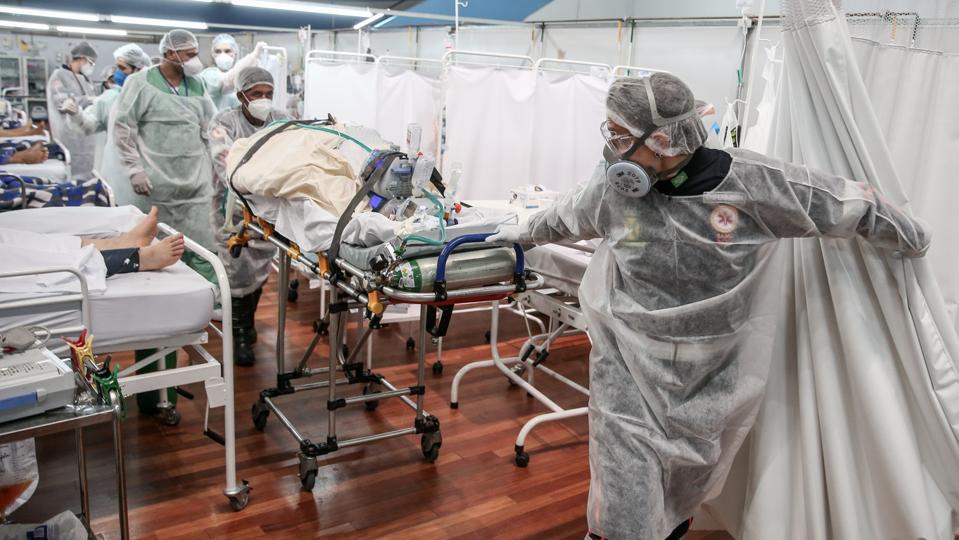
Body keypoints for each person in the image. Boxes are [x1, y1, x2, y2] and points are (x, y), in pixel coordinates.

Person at [487, 72, 931, 539]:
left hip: (713, 375)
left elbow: (842, 202)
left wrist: (912, 236)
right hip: (628, 369)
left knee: (683, 491)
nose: (612, 149)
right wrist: (524, 230)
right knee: (623, 504)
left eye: (620, 136)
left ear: (661, 139)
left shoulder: (756, 184)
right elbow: (567, 216)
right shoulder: (613, 187)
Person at [111, 28, 217, 416]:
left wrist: (218, 168)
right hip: (155, 185)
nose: (194, 57)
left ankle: (199, 317)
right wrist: (134, 170)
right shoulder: (140, 83)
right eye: (188, 52)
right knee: (157, 264)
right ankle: (160, 337)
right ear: (169, 53)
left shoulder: (197, 85)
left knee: (201, 253)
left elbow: (209, 129)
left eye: (195, 52)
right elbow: (123, 128)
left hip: (195, 183)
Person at [208, 66, 288, 366]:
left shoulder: (282, 121)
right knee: (236, 269)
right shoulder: (223, 122)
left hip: (271, 208)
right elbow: (225, 162)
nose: (263, 99)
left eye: (268, 93)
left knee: (260, 267)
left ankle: (247, 323)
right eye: (256, 94)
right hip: (232, 209)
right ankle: (240, 333)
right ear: (241, 95)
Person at [62, 43, 151, 208]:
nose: (116, 73)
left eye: (121, 68)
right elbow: (88, 125)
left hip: (150, 177)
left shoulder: (154, 100)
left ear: (138, 70)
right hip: (117, 174)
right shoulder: (111, 99)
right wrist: (76, 114)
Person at [45, 41, 98, 179]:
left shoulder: (86, 79)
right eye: (90, 62)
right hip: (68, 134)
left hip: (85, 135)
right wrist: (89, 100)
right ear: (81, 59)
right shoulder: (59, 76)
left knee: (87, 172)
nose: (92, 66)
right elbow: (62, 102)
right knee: (72, 173)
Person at [198, 33, 267, 112]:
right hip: (215, 122)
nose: (222, 55)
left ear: (235, 52)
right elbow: (227, 82)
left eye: (227, 51)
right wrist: (253, 56)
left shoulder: (236, 73)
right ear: (213, 54)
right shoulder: (209, 75)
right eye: (218, 51)